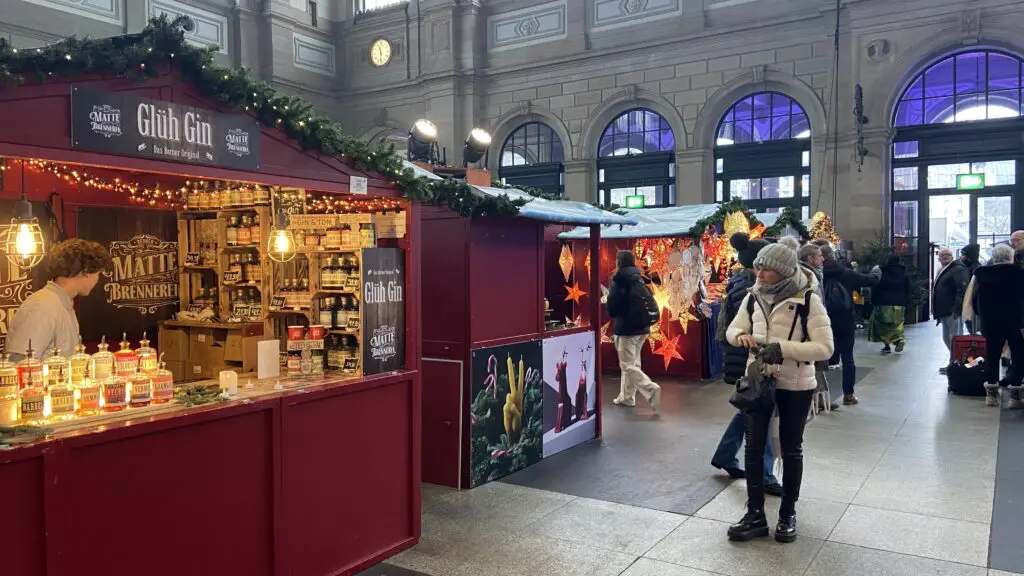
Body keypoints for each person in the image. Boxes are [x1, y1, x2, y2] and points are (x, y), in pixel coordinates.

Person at [726, 242, 834, 543]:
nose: (758, 272)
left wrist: (782, 348)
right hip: (759, 382)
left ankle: (788, 514)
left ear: (784, 272)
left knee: (790, 448)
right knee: (753, 447)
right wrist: (741, 336)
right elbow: (731, 330)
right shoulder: (753, 297)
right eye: (758, 266)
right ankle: (755, 514)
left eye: (766, 268)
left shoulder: (808, 299)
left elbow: (825, 347)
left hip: (796, 384)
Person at [711, 233, 781, 495]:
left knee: (750, 411)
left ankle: (726, 455)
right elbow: (750, 328)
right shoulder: (751, 291)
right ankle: (765, 475)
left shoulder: (743, 284)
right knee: (761, 413)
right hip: (751, 362)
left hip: (748, 361)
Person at [7, 238, 112, 360]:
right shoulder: (43, 306)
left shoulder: (60, 304)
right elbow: (20, 362)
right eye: (98, 273)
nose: (97, 280)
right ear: (86, 271)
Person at [820, 244, 880, 405]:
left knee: (817, 359)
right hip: (845, 320)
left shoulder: (815, 274)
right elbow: (870, 280)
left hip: (821, 321)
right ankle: (848, 395)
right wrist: (876, 271)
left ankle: (820, 398)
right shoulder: (846, 274)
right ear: (833, 256)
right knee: (847, 358)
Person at [966, 245, 1024, 408]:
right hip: (1016, 322)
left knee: (992, 356)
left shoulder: (981, 274)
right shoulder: (1019, 274)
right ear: (1010, 257)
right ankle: (1015, 396)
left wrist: (982, 316)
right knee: (1019, 357)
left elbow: (975, 299)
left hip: (990, 322)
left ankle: (991, 395)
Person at [606, 250, 661, 412]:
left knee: (627, 365)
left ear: (618, 262)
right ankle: (627, 397)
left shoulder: (619, 281)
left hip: (626, 329)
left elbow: (613, 308)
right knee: (633, 363)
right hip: (642, 328)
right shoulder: (638, 279)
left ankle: (650, 389)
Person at [789, 239, 840, 413]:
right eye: (819, 256)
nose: (823, 259)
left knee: (817, 364)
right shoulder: (806, 275)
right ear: (810, 258)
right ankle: (810, 399)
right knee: (812, 363)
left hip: (816, 323)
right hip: (808, 326)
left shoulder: (815, 273)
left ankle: (817, 398)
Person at [933, 247, 970, 373]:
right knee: (947, 338)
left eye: (947, 254)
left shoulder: (958, 269)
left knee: (955, 338)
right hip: (944, 310)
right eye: (942, 254)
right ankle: (956, 361)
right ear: (938, 257)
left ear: (952, 257)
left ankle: (957, 364)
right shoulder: (943, 270)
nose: (944, 256)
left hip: (952, 311)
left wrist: (957, 309)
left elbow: (962, 290)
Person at [868, 254, 912, 354]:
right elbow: (908, 289)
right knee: (897, 324)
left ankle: (887, 345)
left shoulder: (882, 272)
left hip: (883, 302)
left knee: (882, 325)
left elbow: (876, 287)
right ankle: (899, 339)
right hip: (899, 303)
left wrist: (873, 300)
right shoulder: (904, 274)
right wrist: (905, 301)